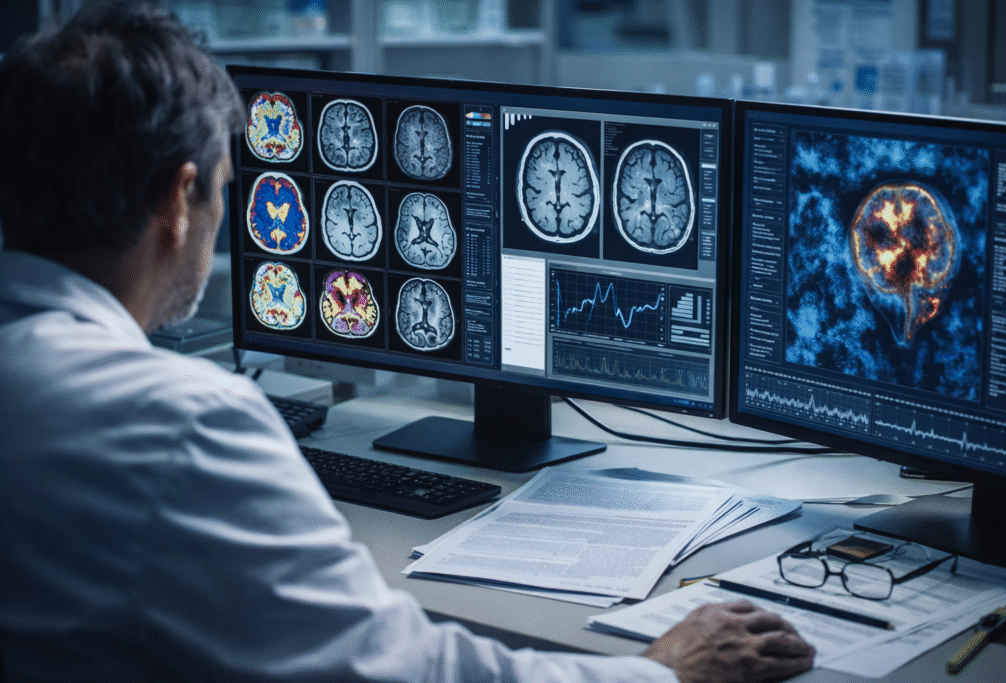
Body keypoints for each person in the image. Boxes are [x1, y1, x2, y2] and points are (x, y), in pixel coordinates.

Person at [0, 3, 816, 681]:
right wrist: (664, 668)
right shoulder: (186, 423)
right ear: (179, 201)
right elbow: (406, 669)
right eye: (223, 186)